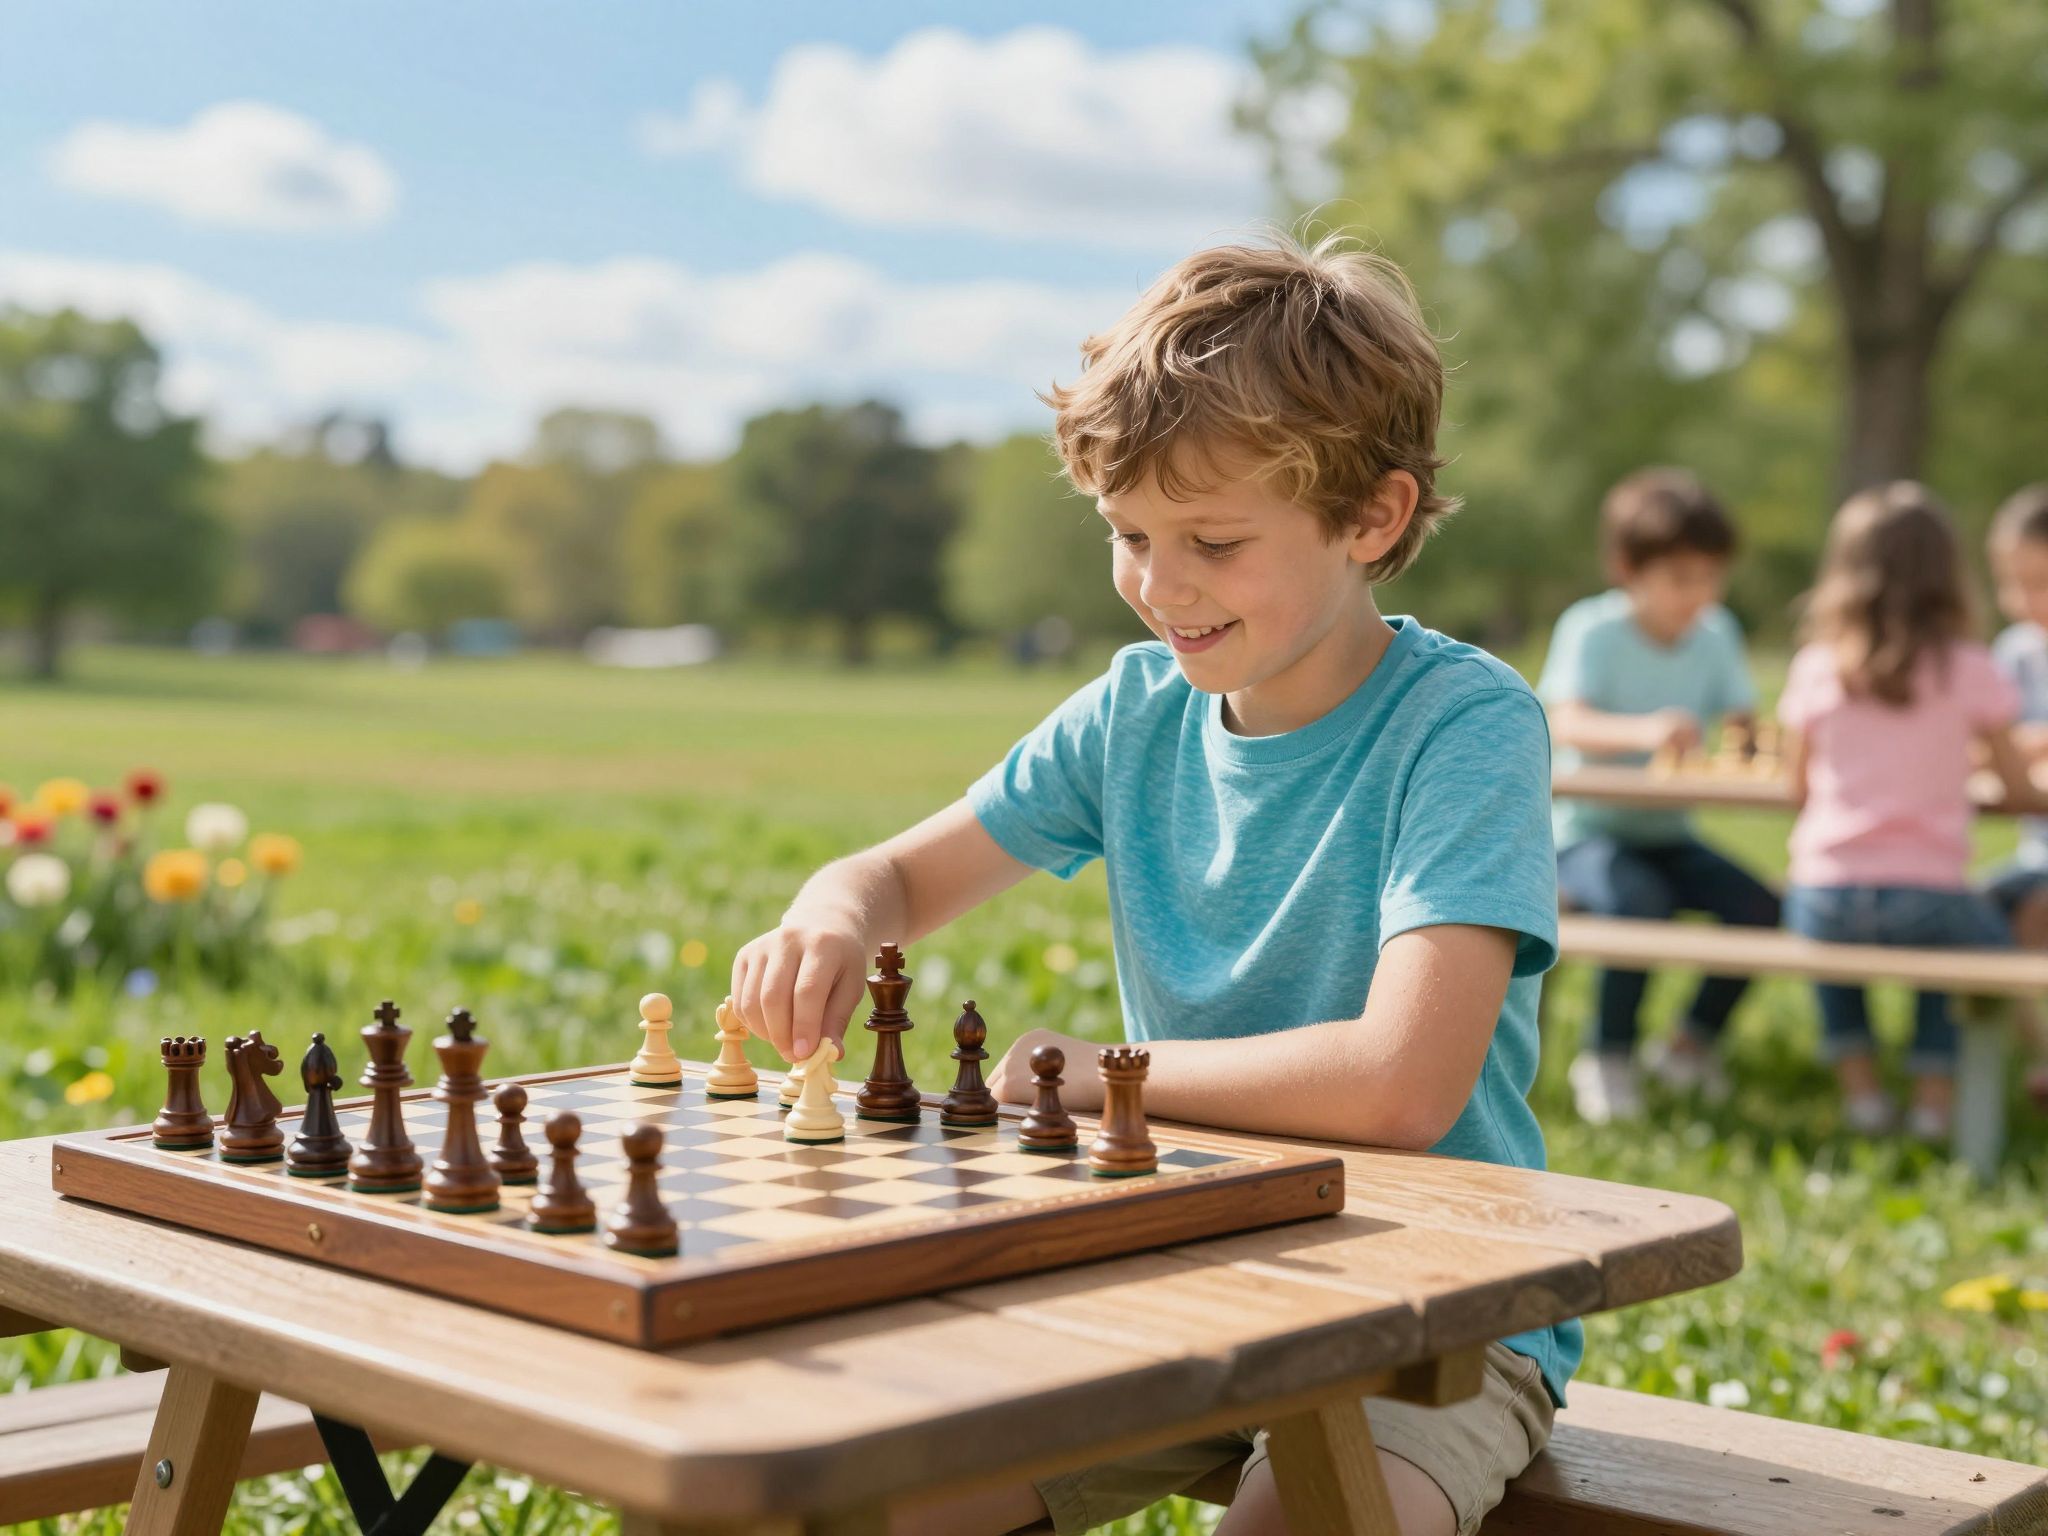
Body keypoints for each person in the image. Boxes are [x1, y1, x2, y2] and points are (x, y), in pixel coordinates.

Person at [729, 235, 1571, 1536]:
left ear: (1374, 516)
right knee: (853, 1504)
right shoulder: (1133, 716)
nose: (1159, 587)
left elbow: (1404, 1086)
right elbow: (896, 874)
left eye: (1215, 541)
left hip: (1439, 1315)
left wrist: (1097, 1070)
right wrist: (833, 910)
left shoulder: (1466, 727)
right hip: (1175, 1276)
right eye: (1130, 534)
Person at [1777, 482, 2031, 1141]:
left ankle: (1862, 1096)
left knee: (1828, 943)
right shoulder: (1970, 668)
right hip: (1929, 894)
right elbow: (2019, 787)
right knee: (1976, 944)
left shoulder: (1817, 665)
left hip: (1823, 893)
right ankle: (1934, 1103)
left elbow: (1795, 785)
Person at [1538, 471, 1781, 1124]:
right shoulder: (1591, 628)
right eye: (1680, 579)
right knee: (1636, 903)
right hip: (1586, 833)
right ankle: (1606, 1056)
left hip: (1668, 834)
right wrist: (1646, 731)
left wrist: (1750, 748)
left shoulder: (1717, 633)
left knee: (1763, 908)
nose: (1697, 596)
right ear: (1628, 569)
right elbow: (1566, 722)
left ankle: (1687, 1046)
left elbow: (1740, 729)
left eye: (1709, 578)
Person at [1980, 483, 2048, 1109]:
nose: (2026, 601)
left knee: (2034, 911)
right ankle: (2030, 1052)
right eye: (2013, 582)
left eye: (2043, 582)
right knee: (1975, 910)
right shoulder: (2015, 653)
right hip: (2036, 849)